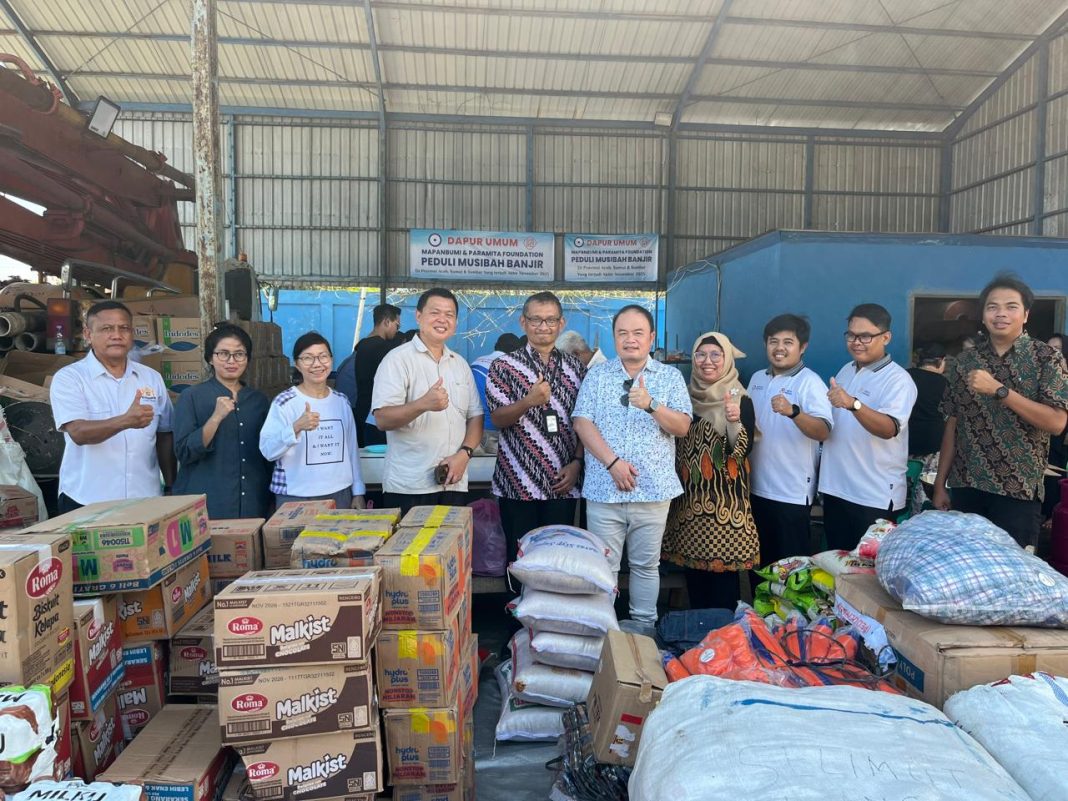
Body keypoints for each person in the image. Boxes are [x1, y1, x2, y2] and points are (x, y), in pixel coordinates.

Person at [573, 305, 692, 631]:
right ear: (614, 338)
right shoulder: (598, 376)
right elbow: (582, 423)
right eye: (622, 333)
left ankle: (643, 631)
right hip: (605, 489)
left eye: (638, 333)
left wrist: (652, 405)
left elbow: (682, 426)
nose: (630, 339)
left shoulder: (669, 377)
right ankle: (602, 632)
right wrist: (612, 463)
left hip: (652, 490)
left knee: (645, 566)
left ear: (651, 337)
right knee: (604, 567)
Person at [933, 276, 1068, 547]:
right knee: (966, 565)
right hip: (967, 487)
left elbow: (1056, 423)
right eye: (992, 307)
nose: (1001, 313)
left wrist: (999, 390)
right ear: (983, 316)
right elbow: (953, 424)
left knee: (1012, 570)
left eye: (1011, 306)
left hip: (1017, 492)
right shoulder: (965, 362)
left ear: (1025, 315)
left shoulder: (1047, 359)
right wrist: (939, 484)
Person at [662, 332, 758, 610]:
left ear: (727, 359)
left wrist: (733, 422)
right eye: (701, 354)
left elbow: (742, 450)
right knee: (695, 580)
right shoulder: (683, 396)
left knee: (722, 585)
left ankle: (725, 634)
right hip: (688, 505)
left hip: (725, 508)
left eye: (716, 355)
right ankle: (699, 634)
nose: (707, 361)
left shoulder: (739, 398)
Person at [50, 300, 175, 512]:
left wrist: (171, 486)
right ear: (88, 334)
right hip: (87, 501)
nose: (117, 335)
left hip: (145, 499)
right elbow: (78, 433)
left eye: (124, 328)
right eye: (107, 328)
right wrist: (125, 421)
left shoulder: (151, 378)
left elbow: (165, 434)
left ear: (132, 333)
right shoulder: (70, 378)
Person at [487, 292, 586, 561]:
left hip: (562, 481)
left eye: (551, 320)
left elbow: (585, 421)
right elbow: (497, 418)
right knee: (520, 559)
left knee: (556, 561)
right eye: (536, 320)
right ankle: (517, 592)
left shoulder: (576, 368)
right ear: (523, 322)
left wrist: (577, 463)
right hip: (517, 481)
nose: (544, 326)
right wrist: (528, 402)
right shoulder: (503, 366)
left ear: (561, 323)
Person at [372, 288, 483, 514]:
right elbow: (382, 419)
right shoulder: (397, 360)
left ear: (456, 322)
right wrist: (422, 404)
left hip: (454, 481)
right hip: (409, 486)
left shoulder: (460, 364)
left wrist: (465, 454)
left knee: (452, 538)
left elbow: (475, 416)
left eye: (449, 314)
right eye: (435, 312)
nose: (442, 319)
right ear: (418, 316)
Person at [818, 304, 917, 551]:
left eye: (865, 336)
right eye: (851, 335)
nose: (856, 342)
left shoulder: (898, 380)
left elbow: (889, 428)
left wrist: (854, 404)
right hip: (836, 488)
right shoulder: (846, 370)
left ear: (886, 337)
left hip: (873, 495)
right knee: (838, 564)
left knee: (868, 569)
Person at [746, 314, 833, 564]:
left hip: (790, 493)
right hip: (754, 488)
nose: (779, 348)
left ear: (802, 347)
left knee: (788, 567)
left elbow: (823, 431)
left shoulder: (810, 382)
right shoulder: (757, 379)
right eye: (773, 341)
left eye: (788, 342)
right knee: (759, 563)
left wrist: (793, 412)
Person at [172, 324, 271, 519]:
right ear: (210, 358)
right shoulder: (192, 397)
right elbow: (184, 451)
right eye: (223, 354)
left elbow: (268, 452)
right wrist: (216, 418)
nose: (231, 361)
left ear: (247, 358)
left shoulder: (258, 400)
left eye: (239, 354)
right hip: (209, 505)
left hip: (253, 501)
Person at [259, 332, 366, 508]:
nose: (317, 364)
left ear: (331, 360)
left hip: (340, 493)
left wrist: (358, 491)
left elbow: (351, 449)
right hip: (296, 495)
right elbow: (268, 451)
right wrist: (295, 427)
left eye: (323, 356)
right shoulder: (285, 402)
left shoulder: (341, 401)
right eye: (308, 358)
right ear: (297, 364)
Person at [352, 304, 402, 447]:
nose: (397, 330)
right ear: (386, 322)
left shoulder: (363, 345)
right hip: (374, 417)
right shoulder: (381, 347)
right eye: (397, 326)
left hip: (362, 409)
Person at [471, 333, 522, 451]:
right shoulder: (510, 367)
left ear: (496, 345)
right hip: (494, 432)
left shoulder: (476, 362)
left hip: (472, 430)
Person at [907, 343, 948, 458]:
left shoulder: (904, 376)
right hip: (932, 443)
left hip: (905, 441)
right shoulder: (945, 383)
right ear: (940, 361)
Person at [1045, 333, 1068, 518]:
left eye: (1057, 349)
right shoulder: (1043, 378)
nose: (1052, 353)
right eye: (1049, 348)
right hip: (1048, 439)